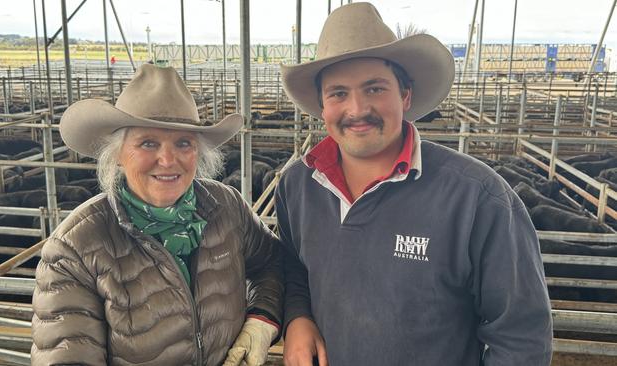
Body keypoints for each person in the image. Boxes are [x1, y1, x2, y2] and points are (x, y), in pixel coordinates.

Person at [275, 3, 553, 366]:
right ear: (322, 106)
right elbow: (293, 267)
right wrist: (297, 316)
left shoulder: (478, 198)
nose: (357, 109)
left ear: (405, 96)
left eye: (374, 89)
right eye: (338, 93)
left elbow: (521, 337)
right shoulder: (298, 185)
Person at [32, 64, 283, 366]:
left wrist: (262, 317)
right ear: (119, 154)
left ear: (198, 153)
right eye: (148, 143)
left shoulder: (225, 205)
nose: (167, 160)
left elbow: (274, 261)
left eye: (183, 143)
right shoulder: (77, 245)